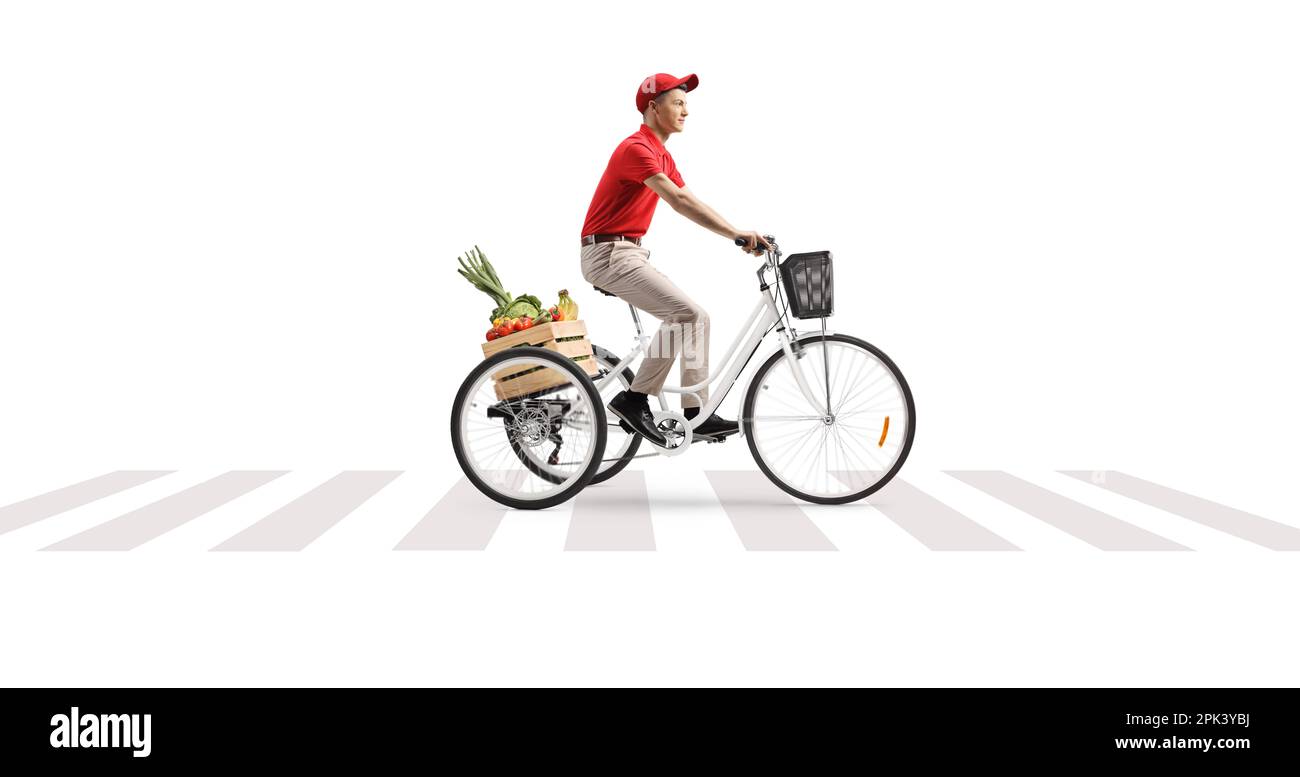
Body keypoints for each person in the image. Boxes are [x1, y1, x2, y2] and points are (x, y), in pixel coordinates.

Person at [579, 72, 772, 445]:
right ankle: (634, 400)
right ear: (654, 107)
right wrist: (736, 234)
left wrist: (738, 231)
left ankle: (695, 414)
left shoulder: (661, 155)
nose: (686, 110)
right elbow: (680, 203)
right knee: (687, 314)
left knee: (693, 317)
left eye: (686, 103)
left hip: (627, 252)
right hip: (606, 254)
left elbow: (692, 200)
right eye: (678, 102)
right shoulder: (636, 149)